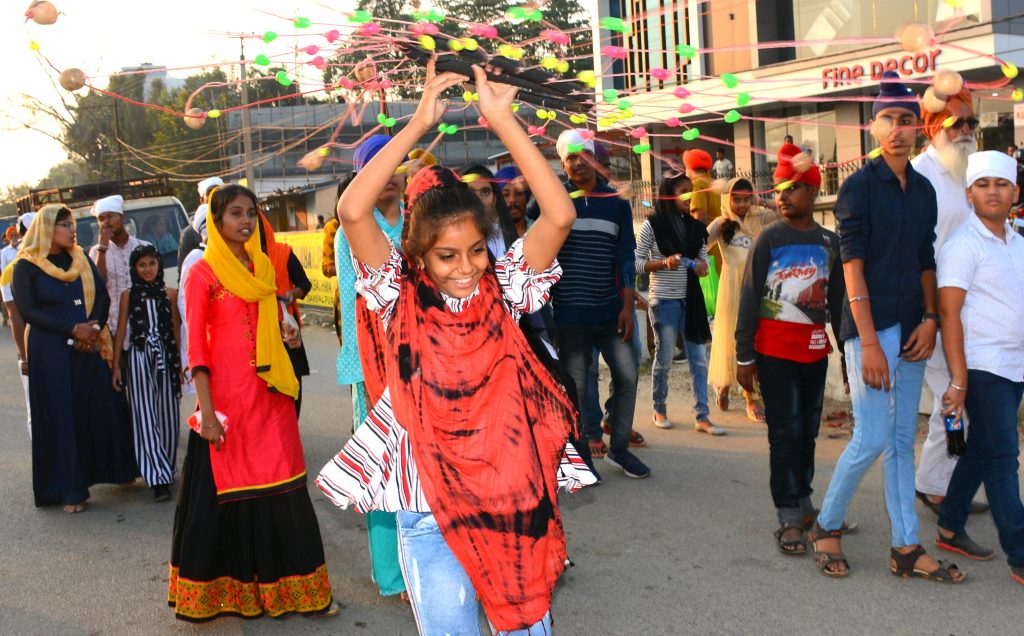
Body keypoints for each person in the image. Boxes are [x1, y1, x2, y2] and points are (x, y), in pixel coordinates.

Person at [316, 60, 594, 635]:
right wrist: (419, 122)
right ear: (417, 257)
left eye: (475, 251)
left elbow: (559, 213)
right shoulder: (396, 296)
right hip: (428, 512)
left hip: (514, 506)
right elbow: (351, 210)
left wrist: (502, 119)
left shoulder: (505, 289)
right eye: (447, 256)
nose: (466, 268)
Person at [809, 72, 965, 583]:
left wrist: (929, 320)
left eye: (905, 120)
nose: (897, 129)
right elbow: (852, 264)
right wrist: (869, 342)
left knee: (902, 440)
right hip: (870, 330)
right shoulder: (857, 187)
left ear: (918, 127)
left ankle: (905, 546)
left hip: (913, 326)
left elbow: (926, 259)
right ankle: (827, 524)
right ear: (873, 128)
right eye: (887, 120)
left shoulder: (922, 190)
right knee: (872, 436)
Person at [169, 184, 336, 621]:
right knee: (225, 494)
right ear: (217, 220)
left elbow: (274, 322)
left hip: (271, 396)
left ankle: (293, 592)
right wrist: (205, 413)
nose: (246, 221)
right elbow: (197, 351)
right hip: (226, 403)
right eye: (236, 214)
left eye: (251, 213)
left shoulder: (262, 265)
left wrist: (289, 332)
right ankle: (231, 596)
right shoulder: (202, 273)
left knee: (285, 485)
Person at [735, 147, 844, 555]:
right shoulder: (770, 239)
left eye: (792, 188)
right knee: (784, 432)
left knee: (809, 432)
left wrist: (848, 354)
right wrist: (745, 355)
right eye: (778, 189)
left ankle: (805, 502)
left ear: (814, 191)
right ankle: (787, 512)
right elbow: (749, 298)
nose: (782, 196)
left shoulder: (829, 242)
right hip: (774, 353)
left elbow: (837, 303)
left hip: (815, 353)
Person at [9, 205, 138, 513]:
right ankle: (70, 489)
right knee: (62, 416)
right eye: (64, 225)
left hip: (87, 346)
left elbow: (103, 296)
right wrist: (71, 330)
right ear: (46, 229)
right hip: (50, 352)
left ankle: (117, 471)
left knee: (100, 404)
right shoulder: (25, 266)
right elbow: (29, 312)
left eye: (71, 224)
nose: (72, 229)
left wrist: (91, 330)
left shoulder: (79, 258)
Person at [934, 151, 1024, 581]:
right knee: (1004, 458)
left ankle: (950, 523)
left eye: (1001, 184)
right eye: (984, 185)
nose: (993, 192)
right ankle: (1021, 553)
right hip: (983, 367)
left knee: (984, 449)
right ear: (969, 194)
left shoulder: (1020, 242)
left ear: (1015, 192)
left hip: (1016, 365)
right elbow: (950, 314)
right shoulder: (961, 246)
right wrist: (959, 379)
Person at [550, 128, 649, 478]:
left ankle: (619, 449)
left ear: (594, 158)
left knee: (627, 375)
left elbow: (625, 256)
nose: (578, 163)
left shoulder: (617, 205)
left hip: (611, 311)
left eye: (583, 155)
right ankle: (580, 460)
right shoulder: (556, 200)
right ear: (563, 165)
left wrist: (627, 308)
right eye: (570, 158)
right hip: (570, 315)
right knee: (576, 387)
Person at [334, 133, 407, 598]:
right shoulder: (351, 230)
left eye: (396, 162)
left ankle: (427, 559)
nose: (391, 174)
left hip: (423, 361)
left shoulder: (421, 219)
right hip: (374, 365)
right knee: (386, 466)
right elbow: (349, 302)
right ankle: (391, 574)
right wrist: (363, 371)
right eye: (379, 165)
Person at [910, 86, 989, 515]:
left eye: (971, 122)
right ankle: (933, 484)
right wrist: (930, 313)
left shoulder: (968, 171)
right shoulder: (921, 174)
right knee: (953, 398)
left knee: (962, 399)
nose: (966, 130)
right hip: (935, 311)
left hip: (968, 310)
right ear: (932, 126)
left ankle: (943, 481)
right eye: (957, 122)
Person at [636, 173, 722, 435]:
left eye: (690, 191)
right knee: (664, 358)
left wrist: (702, 267)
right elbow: (638, 263)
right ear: (669, 195)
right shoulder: (652, 226)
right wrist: (664, 263)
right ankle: (659, 408)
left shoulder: (696, 228)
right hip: (664, 301)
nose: (688, 197)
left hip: (692, 301)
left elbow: (702, 259)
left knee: (698, 359)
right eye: (683, 191)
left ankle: (703, 416)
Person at [111, 245, 181, 502]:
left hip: (167, 356)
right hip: (139, 356)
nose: (147, 270)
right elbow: (121, 331)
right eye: (142, 265)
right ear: (134, 269)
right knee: (143, 416)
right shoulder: (128, 295)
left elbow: (175, 329)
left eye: (152, 264)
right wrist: (117, 365)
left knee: (168, 414)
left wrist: (182, 363)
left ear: (159, 265)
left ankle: (166, 468)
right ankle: (157, 478)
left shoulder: (170, 294)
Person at [707, 178, 776, 421]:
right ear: (727, 198)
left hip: (756, 287)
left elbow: (783, 212)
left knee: (754, 340)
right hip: (730, 288)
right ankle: (723, 384)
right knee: (730, 340)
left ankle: (752, 397)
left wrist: (762, 201)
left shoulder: (759, 217)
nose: (743, 204)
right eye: (737, 199)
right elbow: (698, 245)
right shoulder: (720, 223)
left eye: (747, 198)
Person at [259, 213, 312, 415]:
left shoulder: (283, 253)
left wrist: (292, 294)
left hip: (286, 331)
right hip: (258, 334)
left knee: (292, 388)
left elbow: (305, 284)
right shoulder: (241, 260)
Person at [88, 195, 150, 337]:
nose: (106, 222)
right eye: (101, 219)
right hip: (113, 328)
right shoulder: (95, 252)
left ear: (122, 217)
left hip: (146, 323)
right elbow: (99, 285)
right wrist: (102, 249)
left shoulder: (144, 246)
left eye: (110, 216)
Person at [2, 213, 34, 436]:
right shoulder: (11, 271)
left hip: (68, 346)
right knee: (37, 408)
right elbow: (15, 316)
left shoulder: (71, 261)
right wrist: (24, 357)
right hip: (34, 349)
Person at [462, 163, 519, 256]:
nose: (478, 200)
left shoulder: (505, 238)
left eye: (485, 192)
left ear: (494, 200)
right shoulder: (446, 237)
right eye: (469, 192)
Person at [178, 176, 222, 277]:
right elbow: (184, 272)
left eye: (218, 192)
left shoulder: (232, 226)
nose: (214, 196)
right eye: (210, 193)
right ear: (202, 200)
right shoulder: (189, 234)